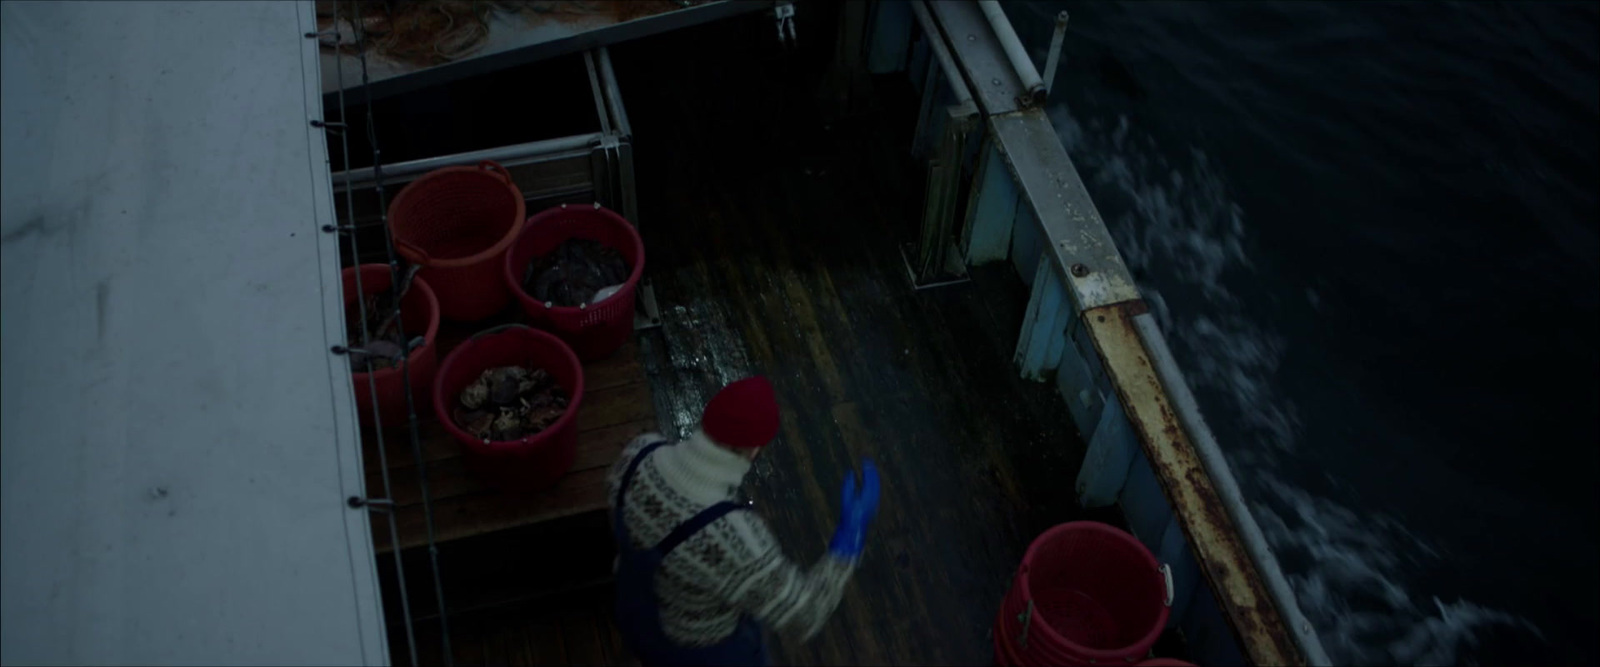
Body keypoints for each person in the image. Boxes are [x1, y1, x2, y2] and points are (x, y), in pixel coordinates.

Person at [607, 376, 881, 666]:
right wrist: (848, 542)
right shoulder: (735, 538)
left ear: (706, 420)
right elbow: (806, 615)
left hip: (634, 609)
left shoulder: (638, 453)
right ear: (755, 450)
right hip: (699, 652)